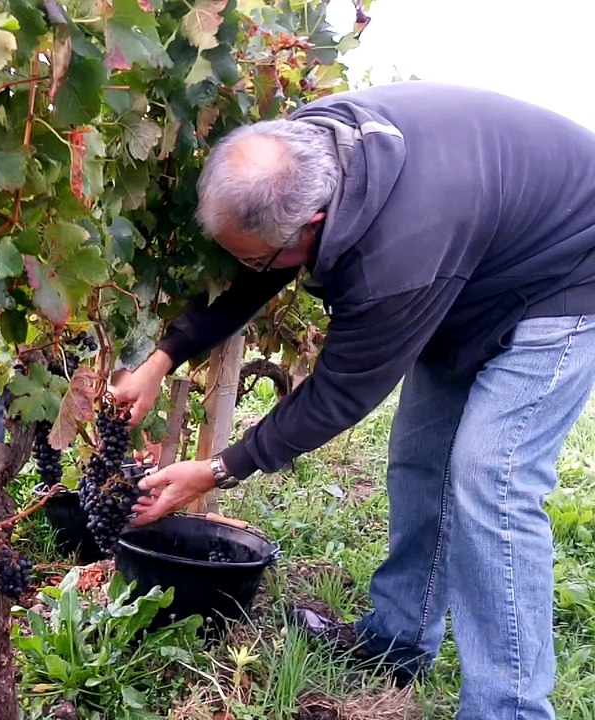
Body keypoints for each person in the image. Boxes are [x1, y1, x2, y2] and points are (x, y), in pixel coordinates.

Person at [112, 81, 595, 720]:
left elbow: (340, 393)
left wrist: (219, 469)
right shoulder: (301, 151)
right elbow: (257, 267)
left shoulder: (397, 261)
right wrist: (162, 358)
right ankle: (398, 640)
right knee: (420, 459)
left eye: (257, 259)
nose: (252, 268)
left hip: (568, 270)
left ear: (313, 225)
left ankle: (509, 708)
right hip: (474, 264)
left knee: (492, 476)